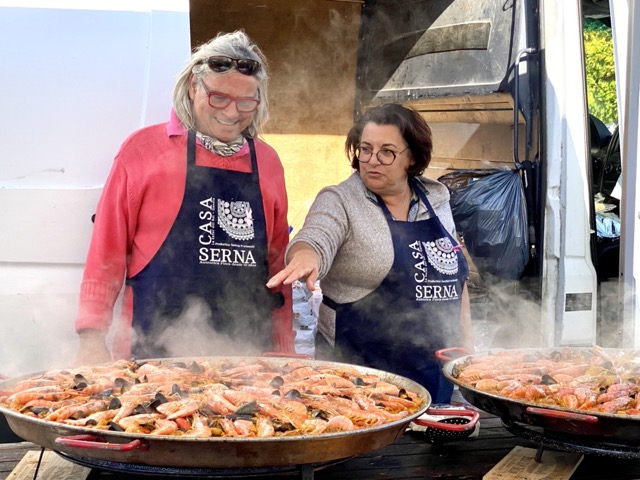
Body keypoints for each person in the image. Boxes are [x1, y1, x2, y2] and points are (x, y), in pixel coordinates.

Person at [75, 30, 295, 365]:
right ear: (194, 87)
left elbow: (277, 266)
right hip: (149, 356)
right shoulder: (143, 151)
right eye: (219, 98)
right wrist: (92, 337)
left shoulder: (268, 162)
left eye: (246, 102)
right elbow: (107, 251)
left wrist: (283, 348)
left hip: (249, 364)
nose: (232, 113)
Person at [267, 103, 472, 403]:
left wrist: (467, 350)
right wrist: (306, 255)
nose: (372, 161)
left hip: (433, 371)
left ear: (412, 158)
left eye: (387, 151)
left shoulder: (437, 199)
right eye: (365, 149)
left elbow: (457, 280)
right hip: (357, 383)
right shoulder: (340, 200)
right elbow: (317, 235)